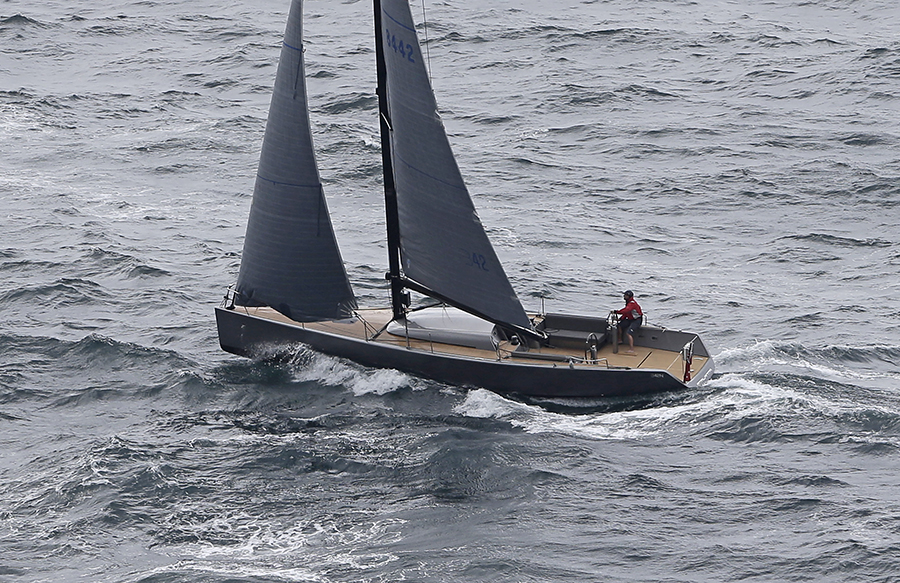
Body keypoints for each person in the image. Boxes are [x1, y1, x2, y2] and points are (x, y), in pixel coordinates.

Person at [614, 290, 643, 354]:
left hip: (637, 320)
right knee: (619, 325)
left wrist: (617, 312)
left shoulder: (632, 303)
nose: (624, 296)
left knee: (629, 333)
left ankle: (631, 349)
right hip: (630, 319)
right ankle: (620, 340)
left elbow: (626, 310)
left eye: (626, 295)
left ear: (629, 296)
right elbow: (626, 313)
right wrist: (621, 319)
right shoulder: (628, 303)